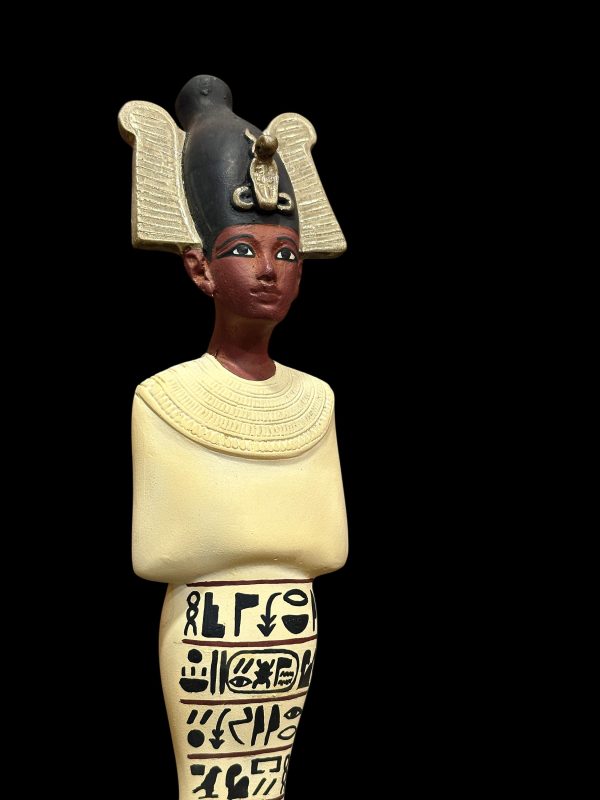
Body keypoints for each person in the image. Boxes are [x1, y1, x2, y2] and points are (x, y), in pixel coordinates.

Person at [121, 75, 347, 799]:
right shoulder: (163, 397)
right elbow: (161, 551)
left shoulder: (316, 399)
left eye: (288, 254)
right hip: (205, 636)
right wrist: (275, 532)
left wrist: (232, 526)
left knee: (268, 784)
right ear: (200, 268)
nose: (269, 271)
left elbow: (329, 547)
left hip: (289, 635)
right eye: (244, 248)